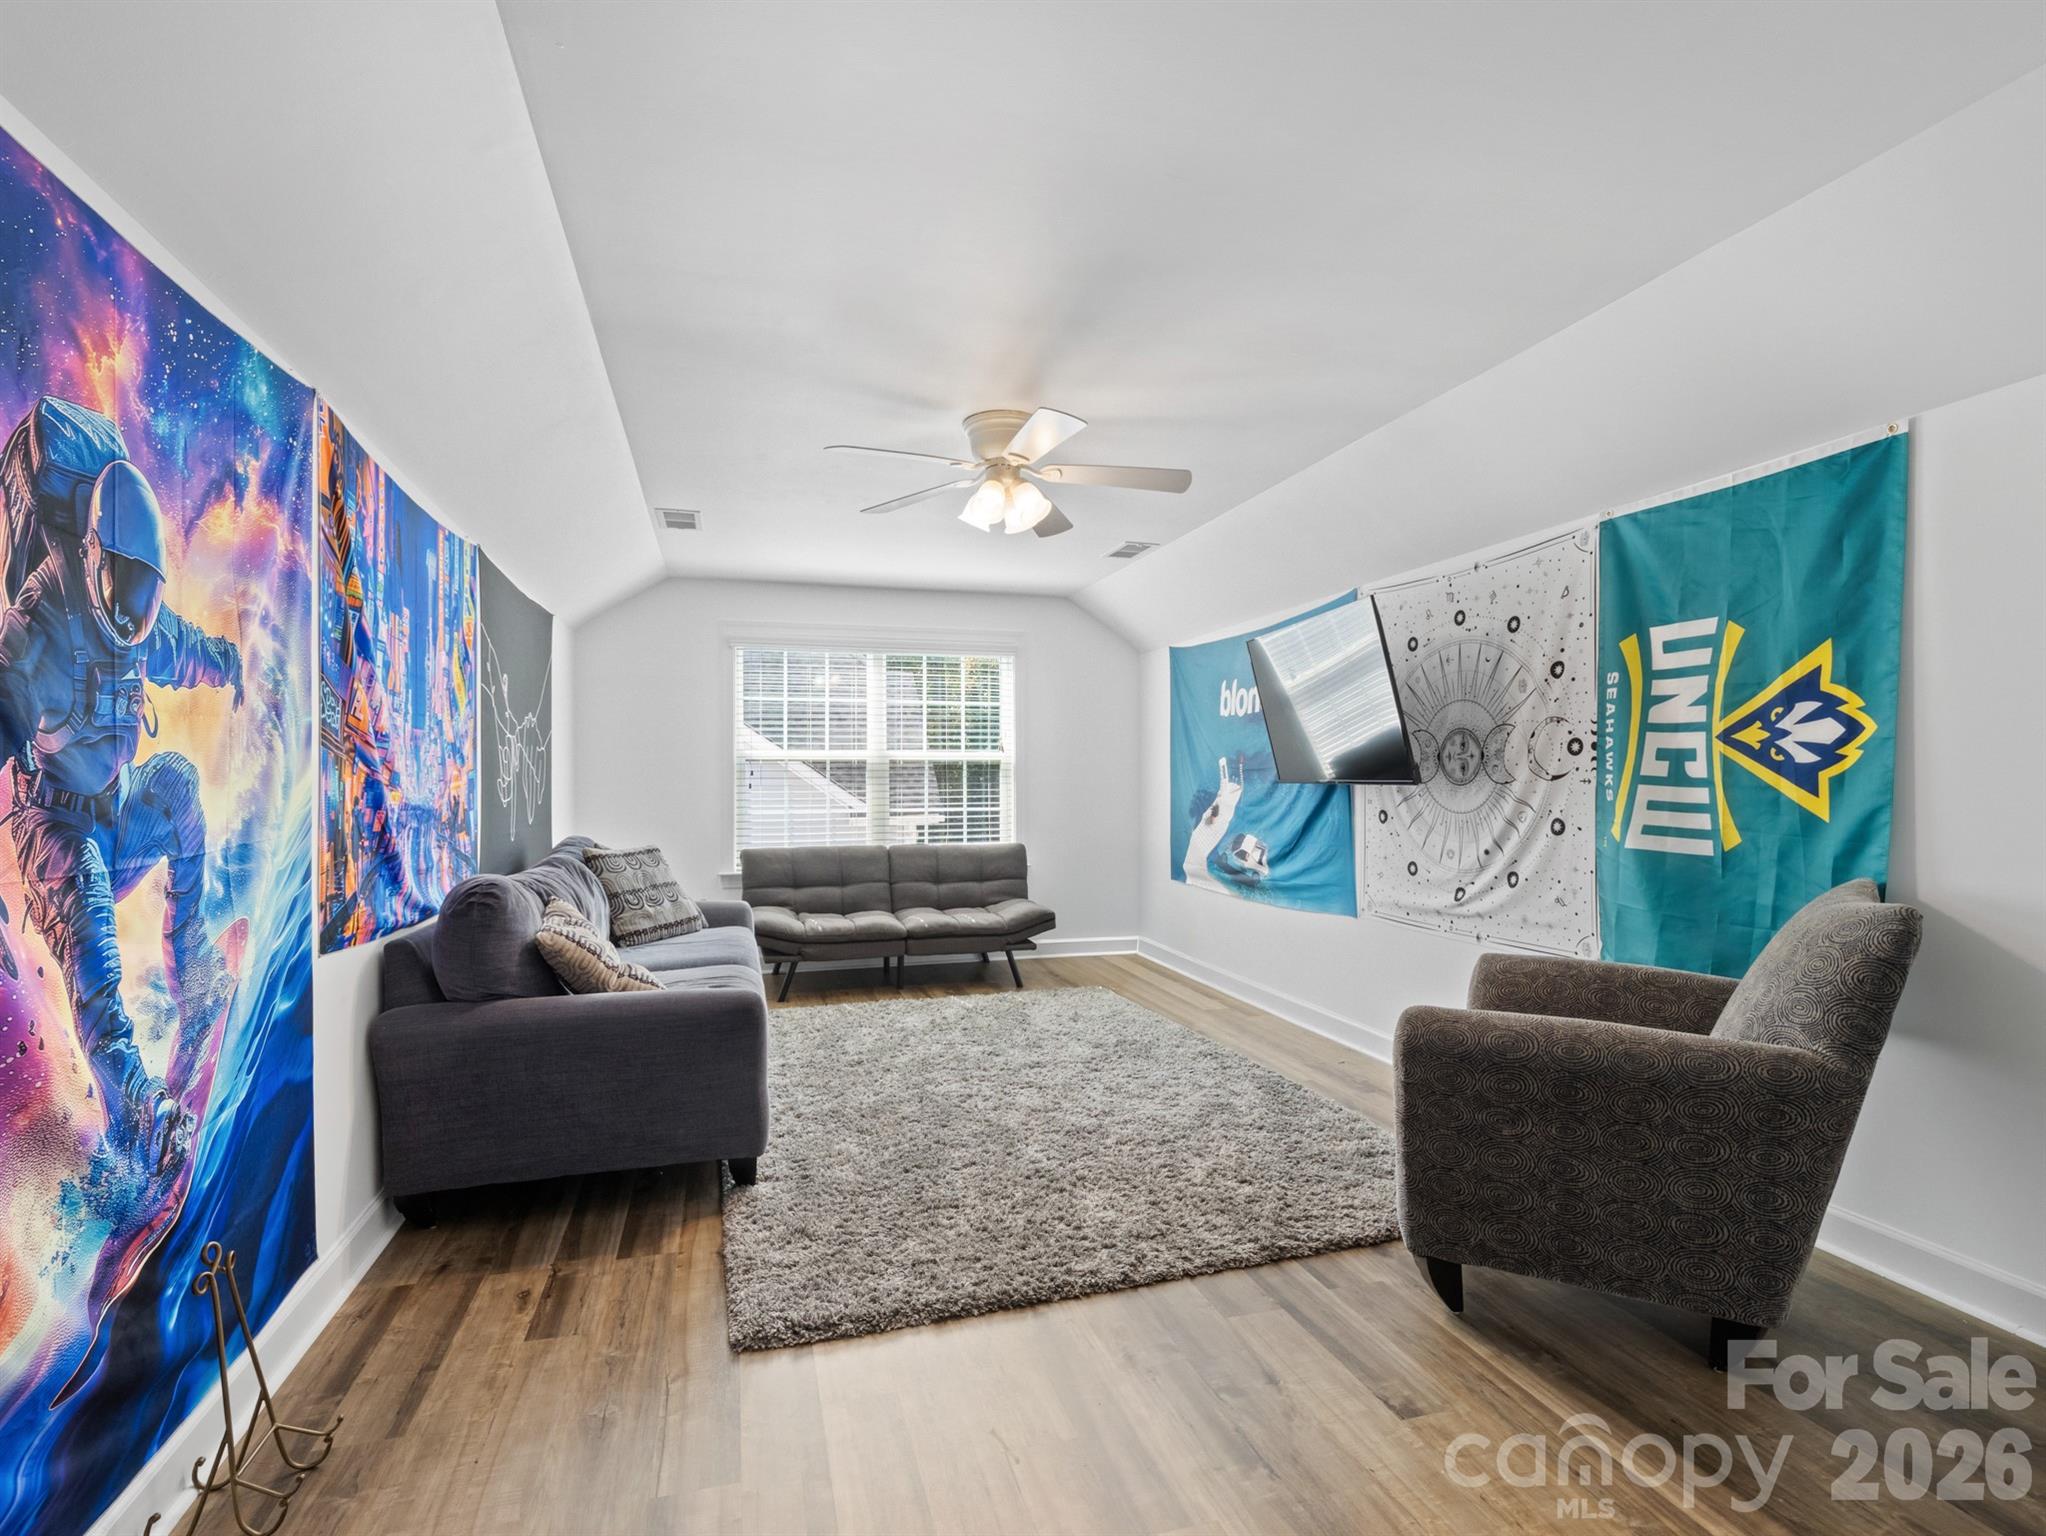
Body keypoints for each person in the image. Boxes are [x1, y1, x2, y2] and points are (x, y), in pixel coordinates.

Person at [0, 458, 242, 1174]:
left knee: (174, 783)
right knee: (91, 893)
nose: (134, 610)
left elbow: (193, 651)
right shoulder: (41, 623)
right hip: (53, 834)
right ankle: (134, 1114)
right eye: (124, 584)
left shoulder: (138, 620)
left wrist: (246, 665)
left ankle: (188, 956)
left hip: (114, 812)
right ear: (90, 553)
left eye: (147, 591)